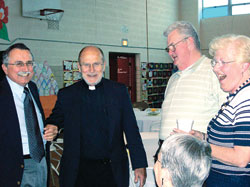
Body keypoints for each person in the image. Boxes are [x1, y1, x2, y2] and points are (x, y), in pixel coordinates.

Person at [46, 46, 148, 187]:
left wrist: (140, 164)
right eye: (86, 65)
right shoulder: (67, 94)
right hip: (77, 172)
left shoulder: (118, 92)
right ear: (79, 67)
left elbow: (131, 130)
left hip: (112, 170)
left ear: (104, 65)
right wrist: (53, 126)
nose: (92, 70)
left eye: (96, 64)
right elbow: (55, 118)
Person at [186, 34, 250, 186]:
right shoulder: (237, 96)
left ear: (244, 66)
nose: (215, 68)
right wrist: (201, 137)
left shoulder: (246, 99)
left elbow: (241, 158)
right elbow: (230, 140)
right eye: (215, 62)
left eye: (223, 62)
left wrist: (201, 145)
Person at [156, 21, 227, 158]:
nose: (170, 52)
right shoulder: (173, 78)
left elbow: (227, 121)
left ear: (189, 42)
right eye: (168, 49)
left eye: (172, 46)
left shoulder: (214, 72)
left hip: (195, 156)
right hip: (167, 154)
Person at [0, 43, 58, 186]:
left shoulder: (32, 87)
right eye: (19, 64)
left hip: (41, 160)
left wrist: (50, 128)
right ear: (5, 68)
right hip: (13, 167)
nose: (25, 69)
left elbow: (33, 120)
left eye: (29, 63)